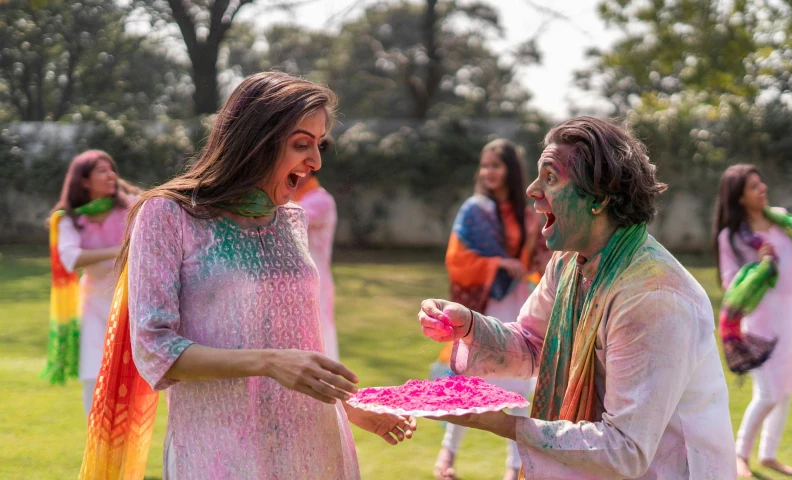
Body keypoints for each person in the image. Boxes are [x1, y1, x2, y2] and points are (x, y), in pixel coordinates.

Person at [79, 72, 415, 479]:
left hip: (314, 450)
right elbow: (155, 350)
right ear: (257, 140)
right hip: (221, 453)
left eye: (319, 144)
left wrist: (349, 403)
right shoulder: (169, 215)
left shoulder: (290, 220)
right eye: (301, 144)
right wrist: (269, 363)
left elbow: (295, 346)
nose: (316, 162)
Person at [418, 117, 736, 479]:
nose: (533, 190)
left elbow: (625, 450)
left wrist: (505, 425)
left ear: (599, 198)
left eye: (550, 178)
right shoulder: (571, 263)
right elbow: (535, 344)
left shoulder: (653, 296)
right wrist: (470, 324)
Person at [434, 139, 543, 480]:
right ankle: (446, 455)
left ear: (511, 170)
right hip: (485, 305)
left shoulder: (528, 214)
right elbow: (456, 258)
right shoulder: (474, 210)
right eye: (485, 165)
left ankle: (515, 467)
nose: (488, 172)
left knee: (521, 386)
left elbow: (541, 257)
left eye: (496, 165)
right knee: (470, 382)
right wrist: (497, 263)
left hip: (519, 303)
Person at [714, 164, 792, 477]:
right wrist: (759, 265)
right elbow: (728, 282)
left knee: (786, 387)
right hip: (761, 321)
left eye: (761, 183)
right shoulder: (734, 236)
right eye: (753, 186)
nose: (762, 188)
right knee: (768, 392)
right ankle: (739, 454)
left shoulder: (781, 219)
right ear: (739, 197)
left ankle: (768, 454)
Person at [45, 150, 137, 416]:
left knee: (136, 374)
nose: (111, 175)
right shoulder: (69, 219)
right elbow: (71, 258)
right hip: (94, 302)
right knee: (93, 373)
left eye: (112, 169)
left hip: (131, 300)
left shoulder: (130, 207)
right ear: (84, 181)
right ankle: (95, 444)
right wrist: (118, 250)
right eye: (102, 171)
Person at [294, 156, 339, 361]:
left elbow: (290, 218)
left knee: (317, 335)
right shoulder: (294, 197)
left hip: (314, 280)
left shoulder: (321, 200)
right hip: (293, 280)